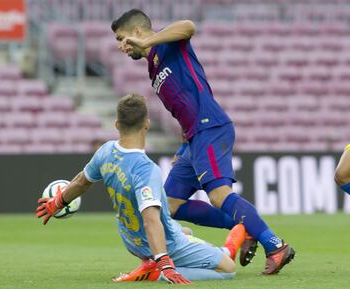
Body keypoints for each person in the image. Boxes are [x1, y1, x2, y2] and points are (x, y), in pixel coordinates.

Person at [111, 9, 295, 274]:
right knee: (170, 204)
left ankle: (275, 245)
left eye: (122, 38)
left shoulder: (167, 42)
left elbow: (188, 25)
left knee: (219, 195)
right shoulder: (153, 66)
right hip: (194, 136)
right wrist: (185, 143)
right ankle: (243, 227)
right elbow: (184, 104)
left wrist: (149, 42)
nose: (121, 46)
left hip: (210, 127)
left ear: (138, 32)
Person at [36, 94, 246, 284]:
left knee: (185, 230)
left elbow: (81, 182)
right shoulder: (146, 170)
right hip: (160, 243)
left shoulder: (105, 151)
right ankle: (159, 271)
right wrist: (163, 261)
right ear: (146, 125)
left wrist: (58, 202)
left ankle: (212, 251)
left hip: (131, 240)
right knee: (228, 269)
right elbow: (151, 219)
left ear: (117, 124)